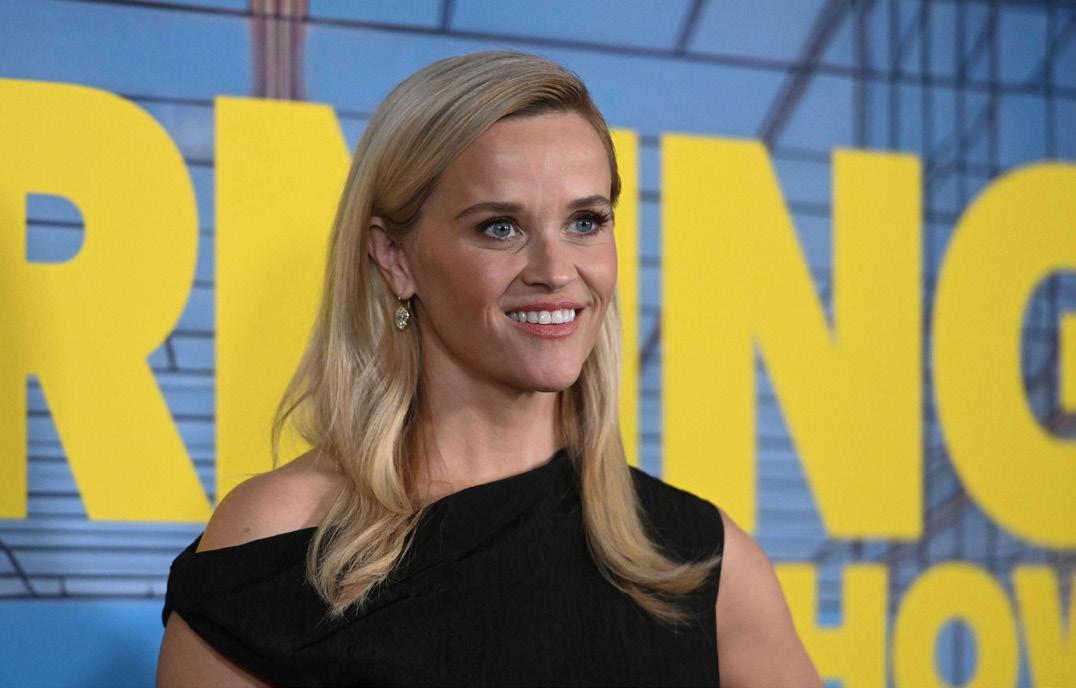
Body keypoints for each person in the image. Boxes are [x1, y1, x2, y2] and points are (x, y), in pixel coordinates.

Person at [156, 50, 820, 687]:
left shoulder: (702, 562)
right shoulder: (276, 543)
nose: (556, 271)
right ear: (395, 258)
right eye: (501, 227)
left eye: (586, 221)